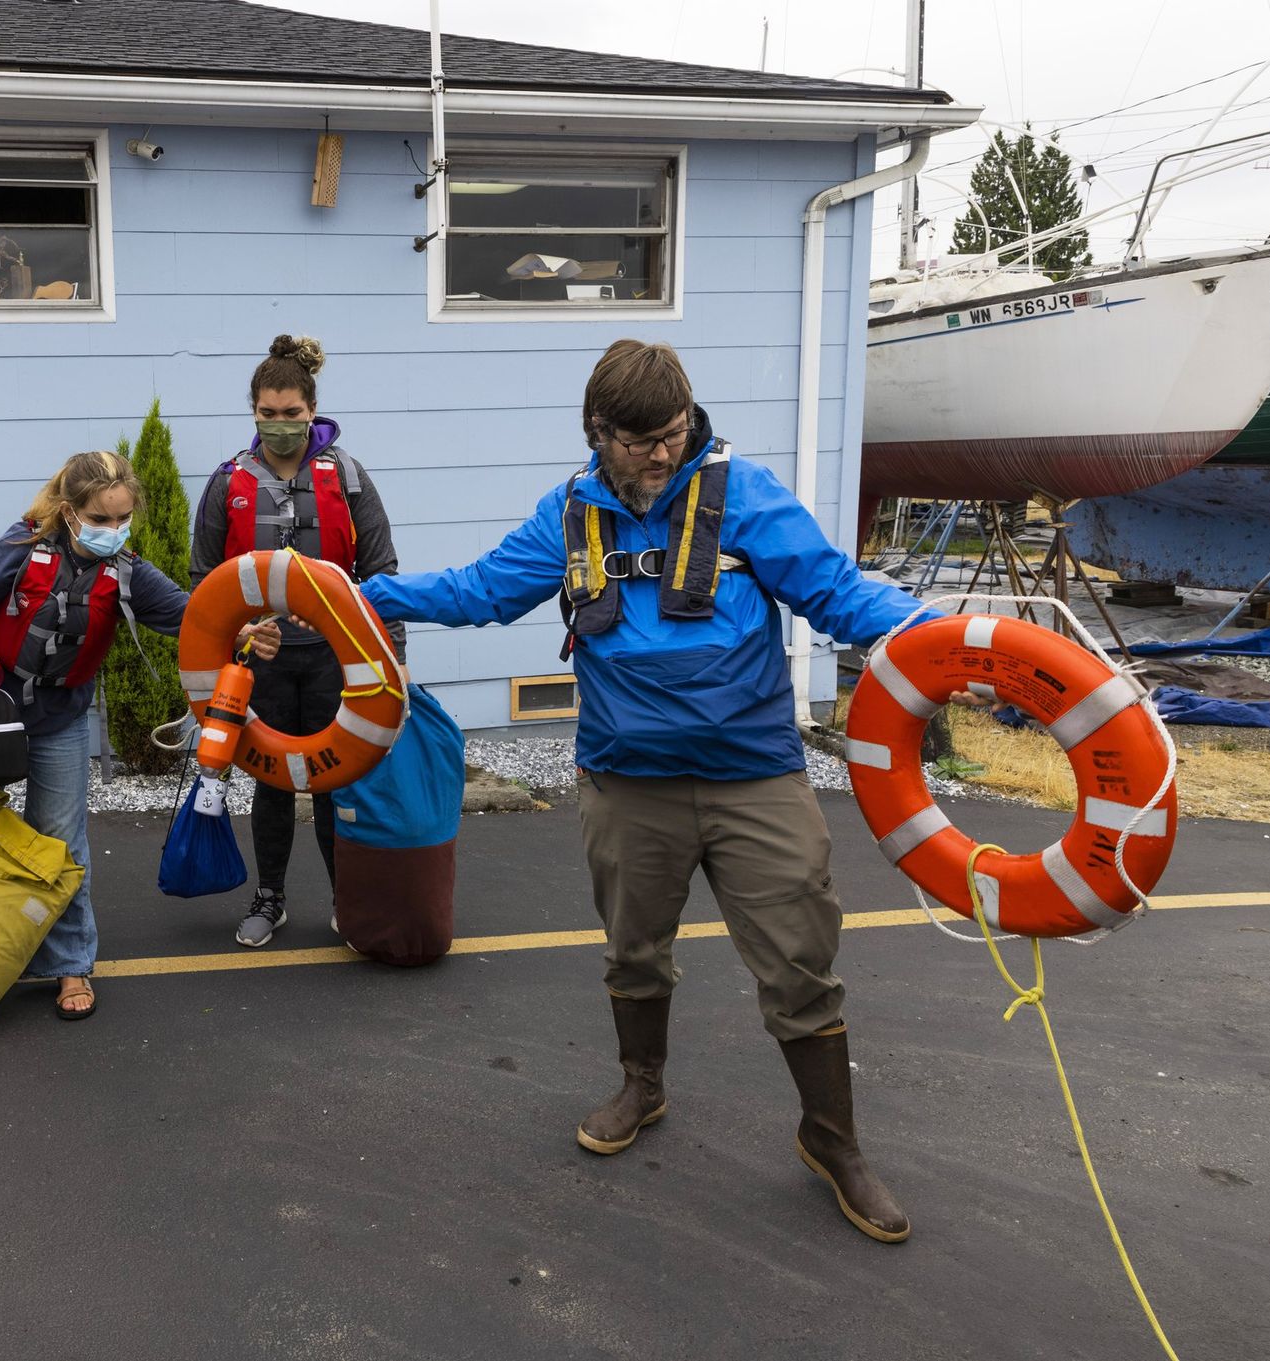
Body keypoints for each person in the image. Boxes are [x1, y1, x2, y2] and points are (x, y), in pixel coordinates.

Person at [359, 339, 973, 1245]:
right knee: (633, 950)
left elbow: (841, 595)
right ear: (597, 432)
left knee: (800, 960)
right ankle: (641, 1087)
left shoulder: (745, 495)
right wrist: (358, 595)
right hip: (625, 782)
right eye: (642, 440)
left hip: (754, 778)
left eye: (675, 433)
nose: (662, 453)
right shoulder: (568, 514)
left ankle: (831, 1140)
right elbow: (479, 591)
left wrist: (955, 641)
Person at [0, 450, 281, 1020]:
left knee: (63, 843)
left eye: (123, 520)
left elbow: (192, 616)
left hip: (63, 719)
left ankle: (71, 965)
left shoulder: (127, 571)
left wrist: (243, 629)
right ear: (70, 511)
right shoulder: (16, 550)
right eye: (101, 520)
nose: (113, 531)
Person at [189, 335, 406, 949]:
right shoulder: (227, 481)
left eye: (292, 414)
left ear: (313, 410)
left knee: (339, 782)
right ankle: (270, 898)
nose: (280, 425)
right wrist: (239, 631)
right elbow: (204, 583)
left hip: (339, 665)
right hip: (261, 664)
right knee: (273, 782)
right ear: (253, 412)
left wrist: (398, 662)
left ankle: (347, 898)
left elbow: (385, 575)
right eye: (268, 414)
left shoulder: (349, 476)